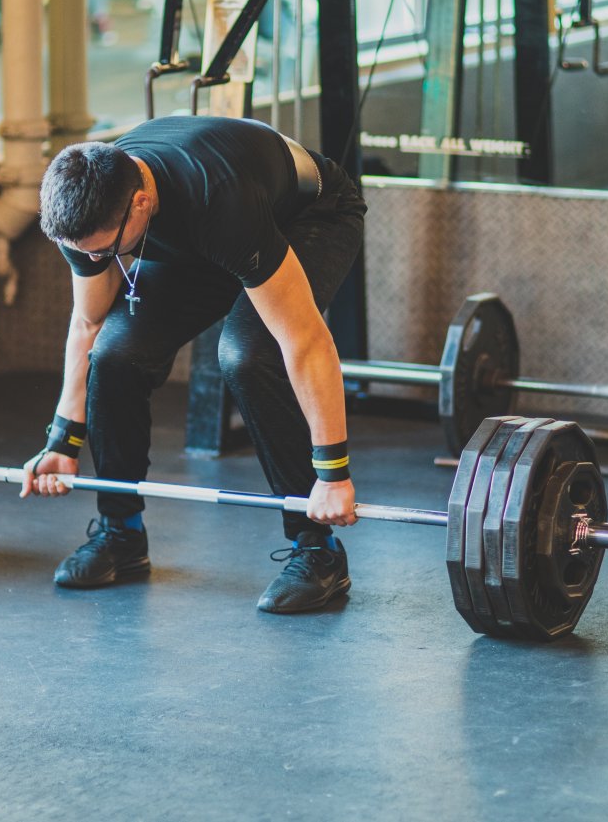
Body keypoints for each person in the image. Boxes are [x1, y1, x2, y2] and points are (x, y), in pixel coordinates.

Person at [21, 115, 367, 613]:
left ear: (141, 203)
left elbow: (305, 340)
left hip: (308, 217)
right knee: (115, 355)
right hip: (202, 238)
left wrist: (333, 477)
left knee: (248, 355)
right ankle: (121, 533)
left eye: (105, 251)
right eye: (83, 252)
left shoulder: (220, 199)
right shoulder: (90, 209)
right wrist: (62, 441)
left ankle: (318, 549)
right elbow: (88, 323)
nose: (95, 261)